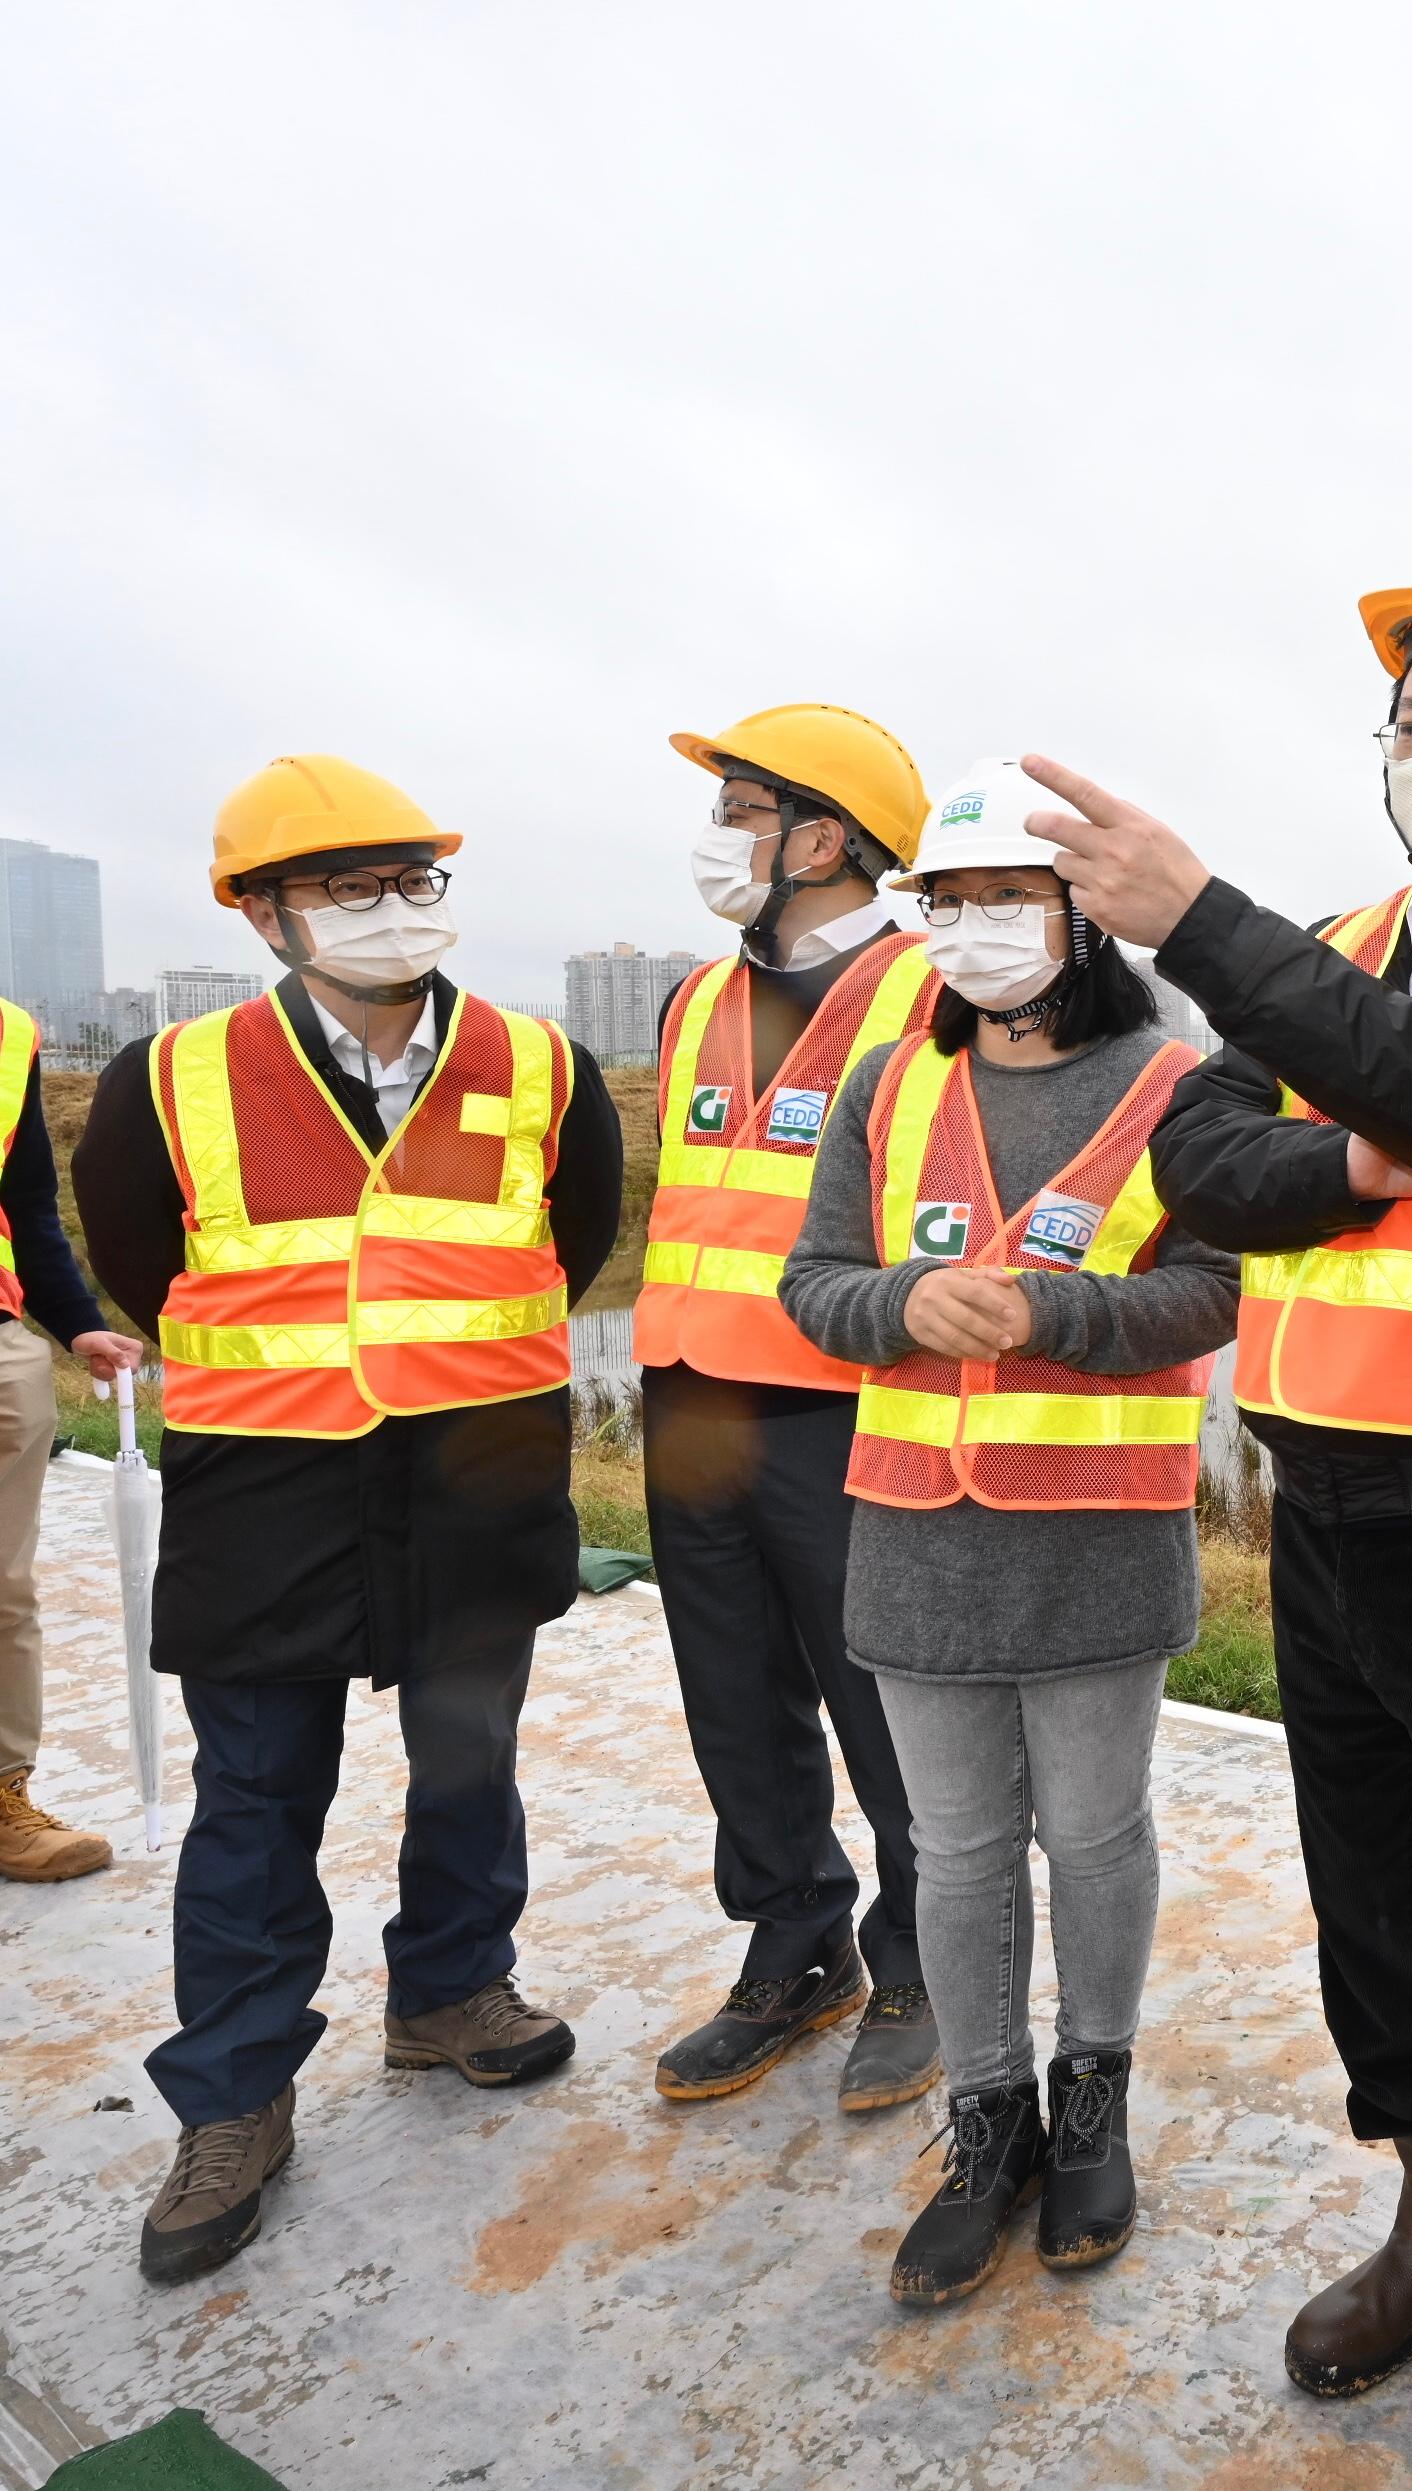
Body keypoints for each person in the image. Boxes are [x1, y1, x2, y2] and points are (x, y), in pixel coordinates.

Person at [1024, 548, 1412, 2488]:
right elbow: (1208, 1161)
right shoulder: (1336, 942)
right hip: (1320, 1505)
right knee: (1373, 1892)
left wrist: (1305, 1044)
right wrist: (1376, 1142)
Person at [76, 755, 623, 2284]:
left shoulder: (545, 1064)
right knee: (256, 1795)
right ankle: (237, 2092)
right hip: (267, 1478)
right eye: (340, 886)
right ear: (261, 913)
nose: (387, 911)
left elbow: (568, 1243)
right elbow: (138, 1254)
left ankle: (451, 1988)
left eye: (407, 880)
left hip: (474, 1469)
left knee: (469, 1757)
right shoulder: (166, 1077)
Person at [775, 760, 1236, 2310]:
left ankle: (1092, 2097)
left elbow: (1218, 1287)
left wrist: (1059, 1310)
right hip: (914, 1534)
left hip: (1100, 1536)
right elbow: (813, 1282)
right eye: (948, 902)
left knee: (1094, 1834)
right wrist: (901, 1302)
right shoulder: (893, 1085)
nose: (972, 929)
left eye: (1006, 899)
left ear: (1080, 913)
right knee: (957, 1846)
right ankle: (988, 2122)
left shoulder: (1172, 1081)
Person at [642, 705, 943, 2114]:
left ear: (822, 838)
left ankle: (924, 1960)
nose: (720, 836)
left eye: (743, 808)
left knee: (885, 1703)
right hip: (688, 1392)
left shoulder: (930, 996)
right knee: (734, 1697)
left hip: (846, 1407)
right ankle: (794, 1943)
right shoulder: (695, 996)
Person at [0, 991, 145, 1884]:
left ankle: (4, 1798)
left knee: (4, 1588)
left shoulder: (10, 1033)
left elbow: (26, 1205)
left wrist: (73, 1322)